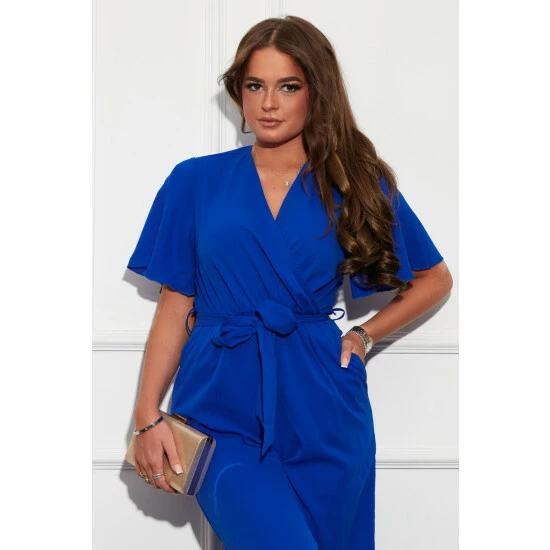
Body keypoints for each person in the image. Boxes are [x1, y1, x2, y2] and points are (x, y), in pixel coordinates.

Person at [126, 15, 453, 550]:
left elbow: (433, 278)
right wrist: (146, 417)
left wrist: (364, 335)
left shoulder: (354, 182)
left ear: (315, 92)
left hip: (323, 402)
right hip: (218, 403)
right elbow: (174, 304)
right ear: (239, 92)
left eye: (289, 86)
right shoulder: (195, 181)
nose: (269, 103)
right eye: (255, 85)